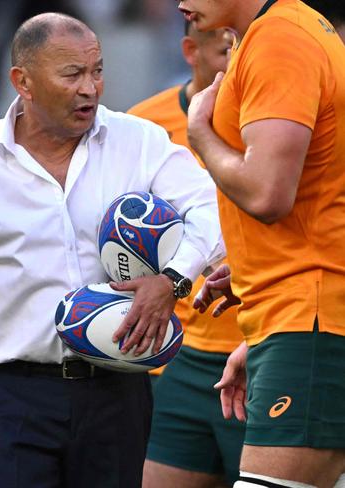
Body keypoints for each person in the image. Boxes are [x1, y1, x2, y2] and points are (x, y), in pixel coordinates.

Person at [0, 12, 224, 487]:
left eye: (96, 70)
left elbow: (210, 210)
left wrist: (171, 279)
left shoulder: (138, 140)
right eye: (72, 74)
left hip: (118, 391)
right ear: (23, 82)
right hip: (15, 395)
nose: (90, 88)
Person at [182, 0, 345, 487]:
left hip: (311, 318)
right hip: (301, 317)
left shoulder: (281, 38)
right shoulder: (290, 30)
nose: (180, 3)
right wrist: (254, 273)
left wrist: (200, 134)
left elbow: (267, 192)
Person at [128, 21, 245, 488]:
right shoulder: (144, 126)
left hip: (264, 345)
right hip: (178, 356)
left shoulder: (280, 123)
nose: (236, 69)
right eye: (224, 54)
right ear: (189, 50)